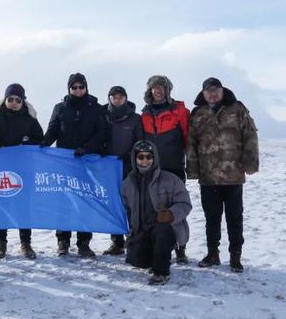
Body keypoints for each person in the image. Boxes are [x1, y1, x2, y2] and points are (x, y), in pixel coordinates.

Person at [186, 77, 259, 273]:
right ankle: (213, 254)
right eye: (208, 91)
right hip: (208, 177)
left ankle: (236, 256)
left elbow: (250, 136)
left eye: (216, 90)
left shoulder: (237, 109)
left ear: (222, 90)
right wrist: (192, 170)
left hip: (233, 175)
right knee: (212, 218)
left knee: (235, 217)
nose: (212, 94)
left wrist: (251, 163)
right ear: (203, 93)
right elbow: (191, 143)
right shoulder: (198, 114)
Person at [41, 72, 107, 257]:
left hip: (87, 163)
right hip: (65, 164)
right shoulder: (60, 108)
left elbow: (102, 132)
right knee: (64, 203)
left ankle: (84, 243)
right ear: (69, 89)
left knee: (85, 202)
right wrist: (45, 142)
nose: (78, 90)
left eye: (81, 87)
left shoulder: (96, 108)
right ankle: (63, 241)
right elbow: (53, 129)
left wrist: (87, 148)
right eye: (74, 87)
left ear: (86, 88)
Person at [0, 83, 44, 259]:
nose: (13, 102)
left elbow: (39, 140)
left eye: (18, 100)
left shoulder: (30, 120)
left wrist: (25, 144)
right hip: (1, 171)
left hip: (23, 169)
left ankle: (26, 244)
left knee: (23, 207)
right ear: (5, 100)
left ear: (23, 102)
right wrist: (0, 147)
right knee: (1, 206)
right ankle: (1, 244)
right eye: (10, 99)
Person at [122, 140, 192, 285]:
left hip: (165, 228)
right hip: (142, 229)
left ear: (155, 158)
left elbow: (185, 203)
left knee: (162, 231)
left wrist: (171, 214)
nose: (145, 161)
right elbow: (125, 209)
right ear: (135, 159)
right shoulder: (127, 183)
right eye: (141, 157)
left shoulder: (170, 179)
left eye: (149, 157)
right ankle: (153, 259)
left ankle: (162, 272)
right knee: (136, 260)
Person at [140, 75, 191, 264]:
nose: (158, 91)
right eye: (154, 88)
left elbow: (188, 139)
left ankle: (181, 247)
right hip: (151, 170)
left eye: (162, 87)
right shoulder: (145, 114)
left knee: (176, 209)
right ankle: (159, 246)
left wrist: (189, 164)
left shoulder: (180, 111)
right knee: (153, 209)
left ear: (168, 90)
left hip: (174, 168)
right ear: (150, 91)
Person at [102, 85, 143, 256]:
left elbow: (141, 141)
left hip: (129, 166)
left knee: (132, 204)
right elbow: (97, 135)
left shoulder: (135, 118)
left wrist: (130, 155)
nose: (117, 100)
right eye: (114, 97)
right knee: (114, 204)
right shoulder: (102, 116)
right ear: (109, 98)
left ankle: (133, 240)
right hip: (107, 167)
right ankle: (117, 242)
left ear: (125, 99)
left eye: (121, 97)